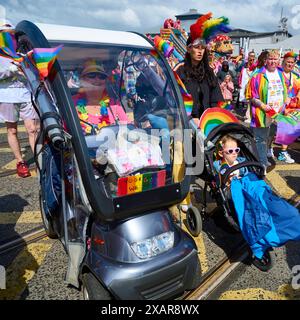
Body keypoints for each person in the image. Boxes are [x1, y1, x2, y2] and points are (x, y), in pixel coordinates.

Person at [0, 23, 39, 177]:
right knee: (12, 130)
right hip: (6, 97)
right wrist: (9, 71)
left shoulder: (22, 51)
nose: (10, 37)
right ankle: (20, 161)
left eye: (12, 34)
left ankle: (39, 160)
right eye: (5, 34)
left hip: (25, 94)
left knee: (33, 129)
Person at [246, 49, 288, 170]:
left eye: (275, 59)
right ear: (266, 60)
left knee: (269, 137)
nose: (273, 61)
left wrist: (284, 103)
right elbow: (251, 95)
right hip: (263, 113)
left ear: (279, 60)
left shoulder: (280, 73)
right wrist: (262, 106)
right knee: (260, 138)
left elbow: (284, 90)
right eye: (270, 59)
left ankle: (261, 158)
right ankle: (261, 162)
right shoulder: (257, 75)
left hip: (276, 113)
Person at [268, 51, 300, 164]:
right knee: (272, 130)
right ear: (283, 62)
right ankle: (268, 148)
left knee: (288, 129)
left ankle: (283, 152)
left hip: (290, 108)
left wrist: (295, 98)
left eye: (292, 62)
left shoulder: (296, 76)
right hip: (276, 106)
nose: (290, 64)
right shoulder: (276, 73)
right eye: (288, 62)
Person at [238, 51, 256, 123]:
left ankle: (250, 116)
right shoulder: (244, 66)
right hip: (246, 87)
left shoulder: (256, 67)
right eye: (250, 57)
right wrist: (240, 83)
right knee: (248, 102)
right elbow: (241, 75)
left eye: (253, 57)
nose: (252, 59)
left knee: (252, 102)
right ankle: (248, 116)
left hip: (254, 87)